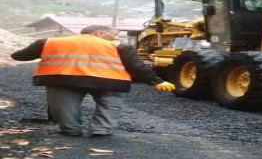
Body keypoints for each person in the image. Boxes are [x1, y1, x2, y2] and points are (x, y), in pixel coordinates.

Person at [10, 25, 176, 137]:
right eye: (114, 35)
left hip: (61, 79)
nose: (115, 38)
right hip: (109, 81)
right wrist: (156, 81)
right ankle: (101, 129)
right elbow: (137, 66)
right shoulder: (119, 47)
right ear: (100, 33)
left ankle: (70, 129)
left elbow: (19, 56)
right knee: (109, 104)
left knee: (64, 106)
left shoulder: (49, 42)